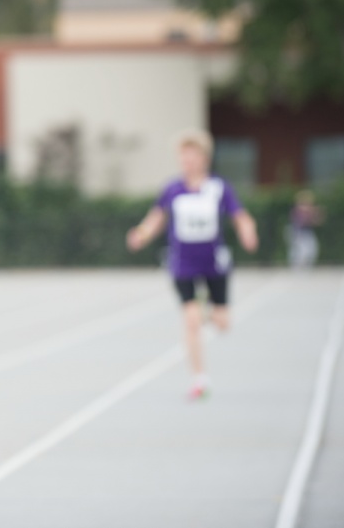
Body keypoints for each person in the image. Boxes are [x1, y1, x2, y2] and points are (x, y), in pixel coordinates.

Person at [126, 129, 258, 400]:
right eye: (182, 156)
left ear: (204, 158)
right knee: (191, 321)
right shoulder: (172, 189)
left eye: (192, 155)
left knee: (222, 323)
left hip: (213, 264)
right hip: (183, 263)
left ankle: (209, 309)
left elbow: (241, 216)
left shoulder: (219, 188)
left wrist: (248, 231)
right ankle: (199, 379)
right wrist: (140, 234)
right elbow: (155, 219)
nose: (186, 161)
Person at [287, 189, 322, 269]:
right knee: (300, 252)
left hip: (305, 232)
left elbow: (315, 221)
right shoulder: (298, 209)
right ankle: (296, 268)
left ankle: (304, 267)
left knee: (311, 250)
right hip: (299, 233)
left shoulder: (306, 210)